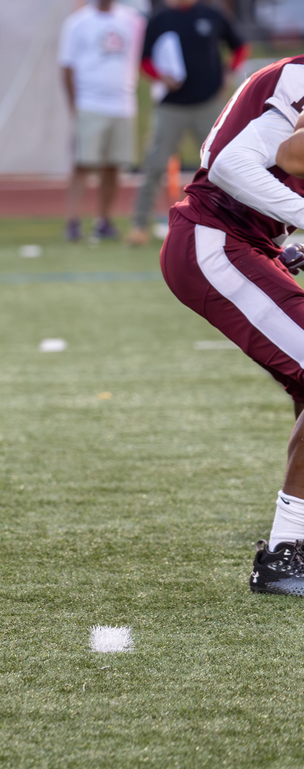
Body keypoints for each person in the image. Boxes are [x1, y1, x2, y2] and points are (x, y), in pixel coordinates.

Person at [158, 54, 304, 595]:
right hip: (215, 240)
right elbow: (231, 167)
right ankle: (287, 551)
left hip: (248, 244)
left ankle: (295, 537)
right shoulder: (299, 81)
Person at [128, 0, 249, 245]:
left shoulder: (212, 13)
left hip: (207, 104)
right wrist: (160, 76)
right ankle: (139, 225)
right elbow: (143, 61)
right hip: (172, 105)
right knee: (156, 163)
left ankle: (238, 223)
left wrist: (227, 73)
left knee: (220, 164)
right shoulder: (159, 19)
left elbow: (240, 46)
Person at [57, 0, 146, 242]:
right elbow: (67, 66)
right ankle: (73, 221)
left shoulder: (132, 21)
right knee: (83, 164)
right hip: (90, 102)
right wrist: (74, 103)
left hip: (122, 104)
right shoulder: (78, 22)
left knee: (112, 166)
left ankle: (103, 220)